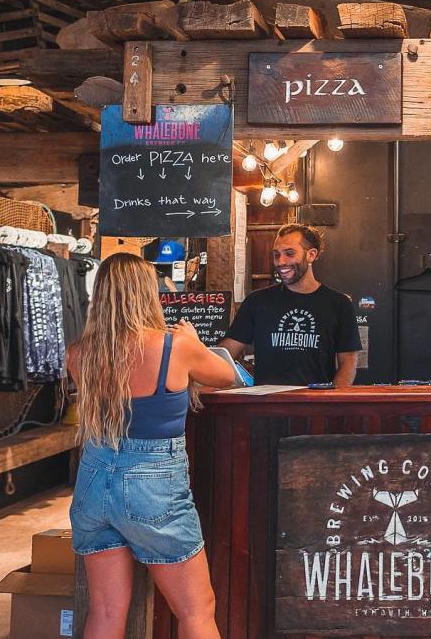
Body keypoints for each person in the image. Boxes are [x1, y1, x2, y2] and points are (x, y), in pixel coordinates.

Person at [67, 253, 236, 639]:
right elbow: (227, 376)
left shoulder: (78, 354)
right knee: (196, 610)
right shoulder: (175, 346)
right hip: (152, 485)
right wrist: (194, 342)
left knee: (105, 612)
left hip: (93, 481)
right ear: (147, 293)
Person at [219, 223, 361, 386]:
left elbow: (348, 363)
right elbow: (227, 353)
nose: (280, 262)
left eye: (289, 253)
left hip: (316, 400)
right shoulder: (256, 301)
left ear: (311, 255)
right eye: (276, 255)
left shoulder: (339, 304)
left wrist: (332, 399)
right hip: (266, 400)